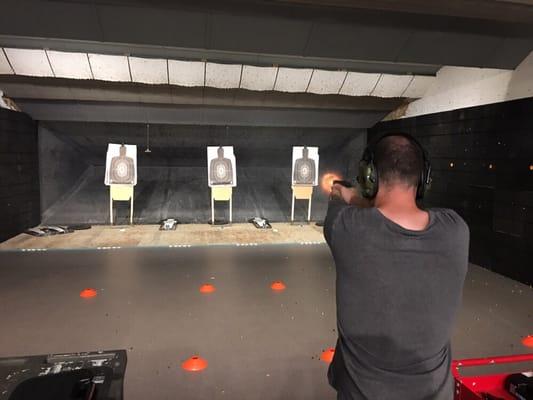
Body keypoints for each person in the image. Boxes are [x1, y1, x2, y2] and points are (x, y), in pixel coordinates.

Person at [324, 134, 469, 400]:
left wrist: (344, 193)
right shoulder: (456, 229)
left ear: (369, 176)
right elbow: (400, 211)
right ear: (424, 178)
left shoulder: (345, 227)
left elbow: (351, 205)